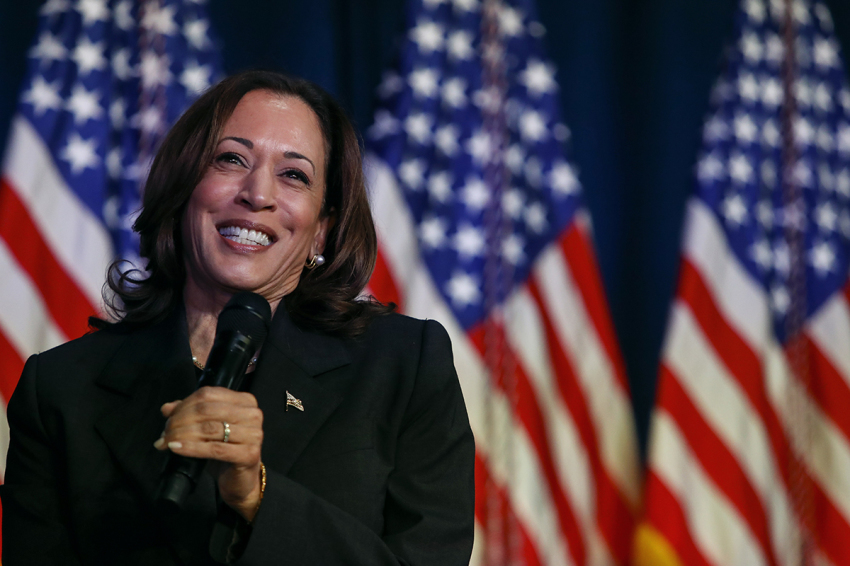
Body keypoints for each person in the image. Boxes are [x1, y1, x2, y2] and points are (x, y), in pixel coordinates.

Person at [0, 70, 475, 565]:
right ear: (184, 188)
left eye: (294, 175)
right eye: (231, 159)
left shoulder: (403, 366)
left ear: (321, 231)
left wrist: (258, 496)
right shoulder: (61, 388)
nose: (258, 193)